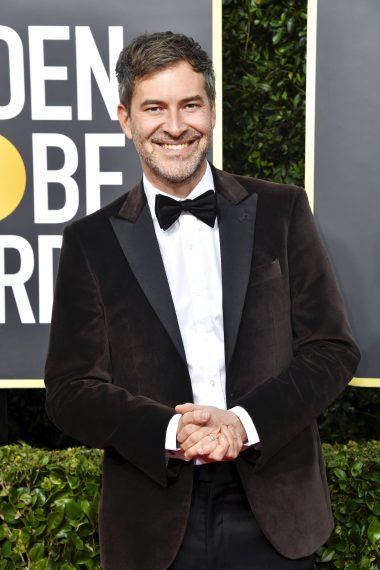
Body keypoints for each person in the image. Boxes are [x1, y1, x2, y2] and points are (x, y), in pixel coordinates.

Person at [45, 31, 360, 570]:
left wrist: (243, 423)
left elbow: (331, 349)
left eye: (190, 104)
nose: (174, 126)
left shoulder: (281, 210)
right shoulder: (90, 241)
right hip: (152, 517)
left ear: (211, 111)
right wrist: (170, 430)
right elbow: (71, 389)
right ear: (126, 119)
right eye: (154, 108)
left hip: (275, 506)